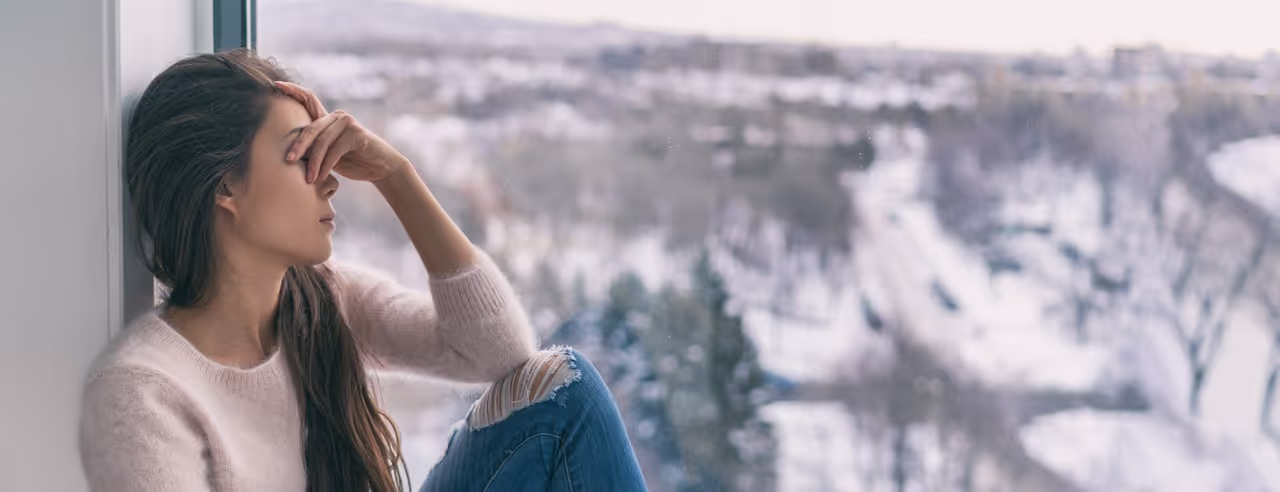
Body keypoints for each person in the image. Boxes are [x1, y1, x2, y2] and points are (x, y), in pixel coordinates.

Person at [77, 48, 648, 492]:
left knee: (566, 388)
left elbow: (500, 356)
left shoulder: (323, 299)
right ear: (226, 186)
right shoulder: (144, 392)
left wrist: (396, 176)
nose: (330, 179)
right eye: (302, 154)